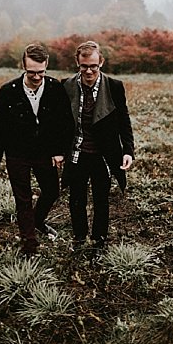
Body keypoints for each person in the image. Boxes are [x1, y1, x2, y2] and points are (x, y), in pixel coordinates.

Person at [0, 43, 73, 256]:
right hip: (17, 153)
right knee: (23, 199)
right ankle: (29, 244)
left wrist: (59, 151)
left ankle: (36, 222)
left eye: (41, 72)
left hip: (45, 152)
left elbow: (65, 123)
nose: (37, 77)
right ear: (23, 66)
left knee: (52, 191)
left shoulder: (55, 88)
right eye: (31, 72)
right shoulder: (8, 91)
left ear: (47, 66)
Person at [62, 41, 135, 253]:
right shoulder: (66, 86)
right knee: (76, 198)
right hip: (77, 153)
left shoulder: (114, 86)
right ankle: (79, 237)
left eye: (93, 65)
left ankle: (99, 240)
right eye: (84, 66)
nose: (89, 70)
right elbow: (59, 123)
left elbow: (124, 121)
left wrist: (128, 150)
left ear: (101, 62)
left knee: (101, 198)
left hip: (104, 155)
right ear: (77, 63)